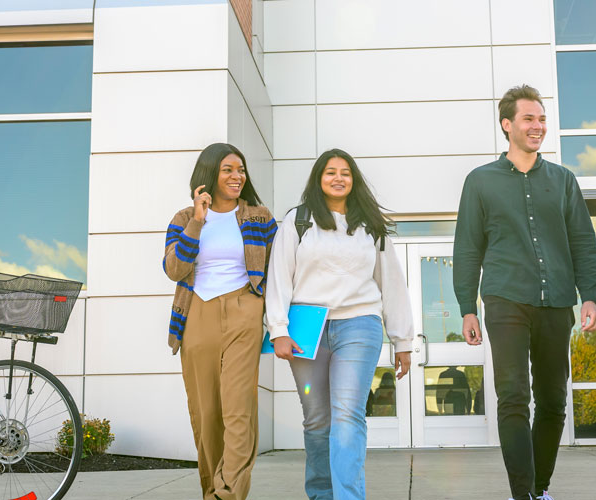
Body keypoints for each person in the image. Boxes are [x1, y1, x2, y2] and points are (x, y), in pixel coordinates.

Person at [453, 84, 596, 500]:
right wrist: (467, 306)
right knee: (514, 397)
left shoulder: (563, 180)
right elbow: (467, 248)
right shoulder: (480, 182)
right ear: (507, 125)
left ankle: (539, 489)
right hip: (505, 301)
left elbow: (583, 243)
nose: (538, 126)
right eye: (528, 119)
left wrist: (588, 294)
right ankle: (523, 495)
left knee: (554, 401)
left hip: (557, 302)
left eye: (541, 119)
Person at [266, 148, 414, 500]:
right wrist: (278, 330)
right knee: (317, 420)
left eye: (345, 172)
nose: (338, 177)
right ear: (319, 179)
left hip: (359, 325)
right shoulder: (298, 221)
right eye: (330, 171)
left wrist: (403, 340)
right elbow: (279, 277)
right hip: (307, 329)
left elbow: (391, 282)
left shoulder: (370, 226)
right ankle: (321, 495)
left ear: (354, 179)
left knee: (348, 417)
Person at [163, 142, 276, 500]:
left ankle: (226, 494)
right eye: (228, 169)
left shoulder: (260, 216)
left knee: (238, 409)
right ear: (210, 172)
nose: (237, 176)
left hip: (245, 307)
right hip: (196, 312)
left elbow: (280, 269)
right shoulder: (184, 218)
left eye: (240, 169)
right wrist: (198, 221)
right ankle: (211, 488)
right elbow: (174, 269)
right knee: (206, 412)